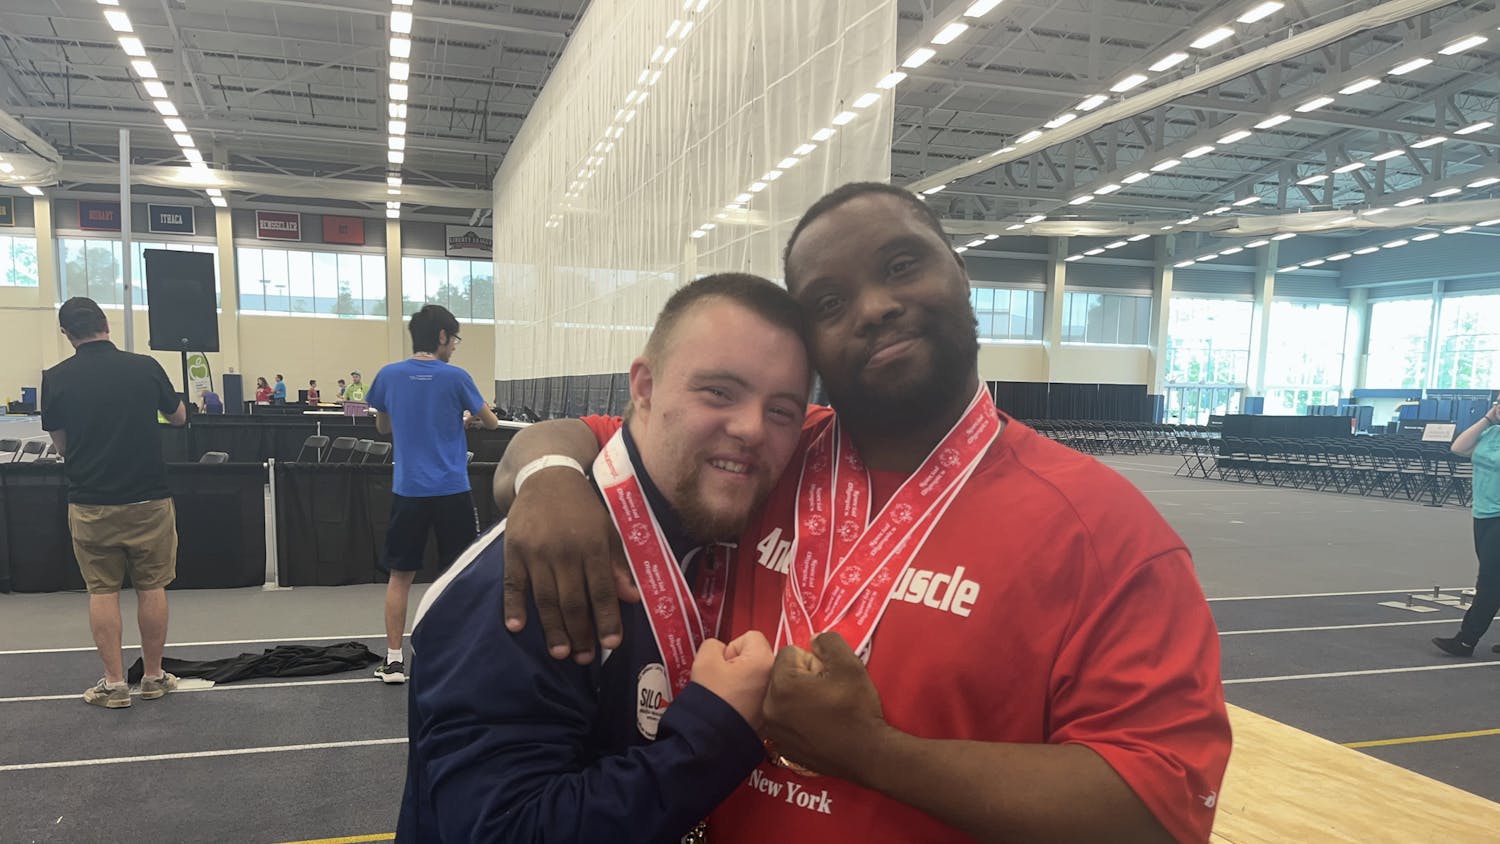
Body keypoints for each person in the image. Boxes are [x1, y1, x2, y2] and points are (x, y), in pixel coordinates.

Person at [496, 183, 1231, 843]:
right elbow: (586, 440)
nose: (875, 307)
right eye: (828, 303)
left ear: (962, 274)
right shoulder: (762, 453)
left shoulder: (1102, 528)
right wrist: (552, 479)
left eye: (903, 265)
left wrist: (875, 753)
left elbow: (1158, 809)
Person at [397, 273, 812, 842]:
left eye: (784, 410)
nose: (751, 429)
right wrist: (714, 733)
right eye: (718, 392)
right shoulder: (537, 570)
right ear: (643, 387)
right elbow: (503, 830)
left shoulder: (715, 534)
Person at [40, 297, 187, 708]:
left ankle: (114, 683)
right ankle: (155, 677)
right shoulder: (145, 367)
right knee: (152, 585)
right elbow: (178, 417)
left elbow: (62, 443)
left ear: (66, 334)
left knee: (102, 591)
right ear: (107, 324)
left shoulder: (55, 378)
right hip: (149, 498)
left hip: (90, 501)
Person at [366, 305, 500, 684]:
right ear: (441, 336)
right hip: (451, 490)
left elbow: (382, 426)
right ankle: (458, 654)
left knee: (400, 576)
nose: (455, 347)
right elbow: (490, 421)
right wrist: (465, 418)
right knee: (457, 574)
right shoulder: (456, 378)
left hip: (408, 491)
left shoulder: (388, 376)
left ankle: (394, 661)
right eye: (454, 339)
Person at [1433, 402, 1500, 657]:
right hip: (1482, 513)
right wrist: (1487, 418)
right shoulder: (1491, 432)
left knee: (1489, 582)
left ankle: (1465, 640)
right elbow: (1458, 447)